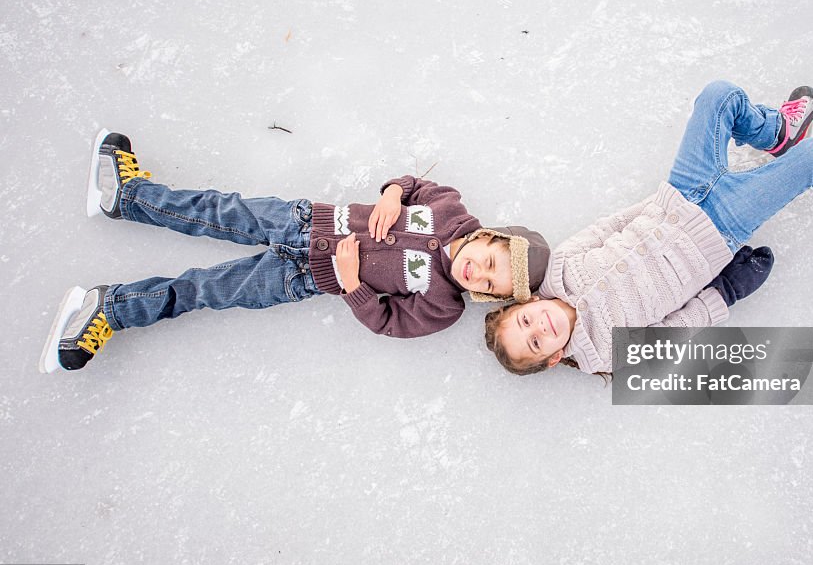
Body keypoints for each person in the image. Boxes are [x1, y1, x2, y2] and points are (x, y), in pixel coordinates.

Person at [484, 80, 813, 377]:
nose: (539, 329)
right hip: (721, 228)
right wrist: (727, 291)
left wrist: (662, 200)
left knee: (719, 96)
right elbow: (678, 328)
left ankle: (776, 133)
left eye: (525, 323)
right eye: (537, 344)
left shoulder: (560, 268)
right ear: (555, 357)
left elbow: (611, 225)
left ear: (524, 304)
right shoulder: (610, 352)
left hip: (682, 192)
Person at [39, 130, 549, 373]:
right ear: (489, 237)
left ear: (487, 298)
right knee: (214, 210)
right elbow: (412, 183)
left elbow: (388, 322)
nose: (477, 272)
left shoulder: (443, 306)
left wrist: (352, 285)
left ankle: (112, 308)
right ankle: (127, 195)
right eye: (488, 261)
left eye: (488, 284)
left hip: (301, 277)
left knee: (205, 291)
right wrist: (394, 193)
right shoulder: (450, 207)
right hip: (306, 220)